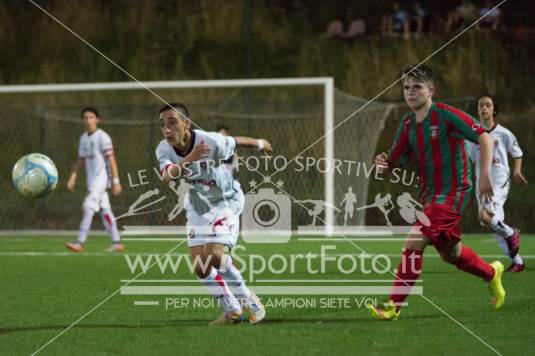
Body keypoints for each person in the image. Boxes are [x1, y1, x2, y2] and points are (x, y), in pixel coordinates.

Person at [368, 65, 505, 320]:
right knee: (450, 254)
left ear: (432, 90)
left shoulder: (447, 115)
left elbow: (485, 138)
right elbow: (394, 161)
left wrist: (484, 175)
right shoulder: (408, 122)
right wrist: (383, 163)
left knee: (414, 240)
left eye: (417, 87)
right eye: (406, 87)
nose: (410, 92)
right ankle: (491, 273)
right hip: (430, 196)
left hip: (454, 192)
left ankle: (393, 306)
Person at [157, 103, 268, 325]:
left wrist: (260, 143)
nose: (167, 129)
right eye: (162, 124)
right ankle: (232, 311)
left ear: (186, 123)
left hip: (226, 201)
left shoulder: (211, 141)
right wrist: (189, 159)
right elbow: (167, 176)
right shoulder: (163, 148)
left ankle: (250, 301)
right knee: (201, 266)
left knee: (215, 254)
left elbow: (236, 142)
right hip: (199, 205)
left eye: (172, 122)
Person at [466, 94, 526, 272]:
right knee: (492, 224)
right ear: (477, 110)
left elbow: (517, 152)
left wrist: (516, 170)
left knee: (484, 216)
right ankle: (518, 262)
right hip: (481, 183)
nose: (484, 108)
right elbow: (470, 159)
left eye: (488, 105)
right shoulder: (471, 135)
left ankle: (511, 233)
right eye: (481, 105)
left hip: (499, 181)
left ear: (494, 110)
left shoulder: (504, 133)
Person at [66, 108, 124, 253]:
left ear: (97, 119)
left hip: (102, 179)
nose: (88, 120)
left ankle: (79, 242)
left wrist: (116, 181)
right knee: (105, 212)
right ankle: (116, 241)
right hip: (92, 181)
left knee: (87, 206)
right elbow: (80, 160)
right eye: (85, 117)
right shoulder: (83, 138)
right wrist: (73, 176)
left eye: (91, 117)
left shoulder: (103, 137)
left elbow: (112, 160)